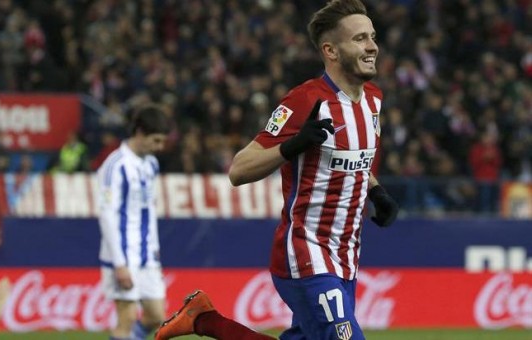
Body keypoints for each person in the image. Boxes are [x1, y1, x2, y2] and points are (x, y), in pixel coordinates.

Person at [156, 0, 399, 339]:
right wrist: (291, 146)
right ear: (330, 50)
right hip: (306, 252)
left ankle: (204, 320)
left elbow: (352, 158)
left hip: (347, 256)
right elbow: (239, 169)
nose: (372, 45)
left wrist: (376, 191)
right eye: (359, 38)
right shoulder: (305, 100)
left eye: (372, 36)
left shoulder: (373, 99)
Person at [96, 105, 171, 340]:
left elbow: (150, 209)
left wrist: (155, 250)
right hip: (123, 255)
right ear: (139, 132)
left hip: (147, 254)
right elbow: (106, 214)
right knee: (126, 318)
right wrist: (119, 263)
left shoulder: (151, 164)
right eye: (156, 140)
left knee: (156, 315)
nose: (159, 148)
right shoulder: (115, 165)